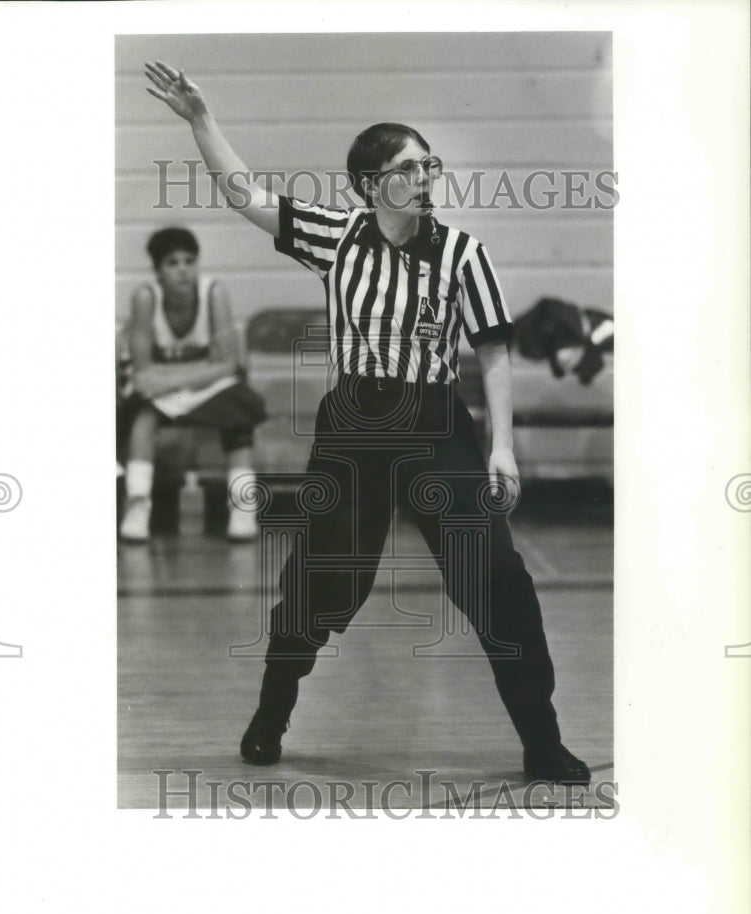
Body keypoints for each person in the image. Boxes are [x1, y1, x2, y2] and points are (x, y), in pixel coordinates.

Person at [145, 62, 591, 784]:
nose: (424, 176)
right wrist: (201, 121)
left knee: (496, 581)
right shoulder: (336, 236)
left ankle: (542, 741)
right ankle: (271, 712)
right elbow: (244, 195)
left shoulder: (462, 253)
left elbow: (495, 353)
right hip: (354, 428)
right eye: (408, 166)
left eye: (428, 164)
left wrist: (501, 448)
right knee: (320, 581)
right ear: (369, 182)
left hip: (436, 427)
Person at [119, 225, 266, 542]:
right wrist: (202, 368)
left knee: (239, 421)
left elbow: (228, 363)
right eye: (172, 263)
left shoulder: (214, 293)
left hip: (196, 385)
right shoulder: (146, 298)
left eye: (189, 261)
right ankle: (138, 506)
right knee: (142, 419)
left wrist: (174, 378)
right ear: (158, 271)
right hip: (176, 386)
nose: (183, 270)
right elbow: (144, 370)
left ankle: (243, 508)